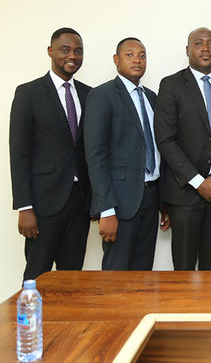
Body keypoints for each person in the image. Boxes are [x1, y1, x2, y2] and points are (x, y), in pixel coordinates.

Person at [10, 28, 92, 281]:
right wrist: (25, 207)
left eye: (78, 51)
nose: (73, 56)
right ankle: (30, 323)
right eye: (65, 50)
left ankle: (68, 322)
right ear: (50, 52)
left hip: (79, 202)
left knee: (72, 277)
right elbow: (19, 152)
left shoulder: (90, 94)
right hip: (43, 204)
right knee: (37, 274)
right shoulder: (28, 93)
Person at [155, 27, 211, 270]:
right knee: (183, 269)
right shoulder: (171, 85)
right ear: (187, 50)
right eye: (199, 43)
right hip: (184, 196)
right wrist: (198, 182)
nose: (205, 48)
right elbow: (166, 140)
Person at [84, 37, 167, 270]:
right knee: (116, 275)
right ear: (116, 60)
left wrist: (164, 202)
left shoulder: (152, 97)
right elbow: (95, 155)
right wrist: (106, 210)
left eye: (142, 55)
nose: (137, 60)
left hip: (150, 198)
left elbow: (157, 148)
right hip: (119, 203)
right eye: (130, 55)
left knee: (143, 274)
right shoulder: (102, 95)